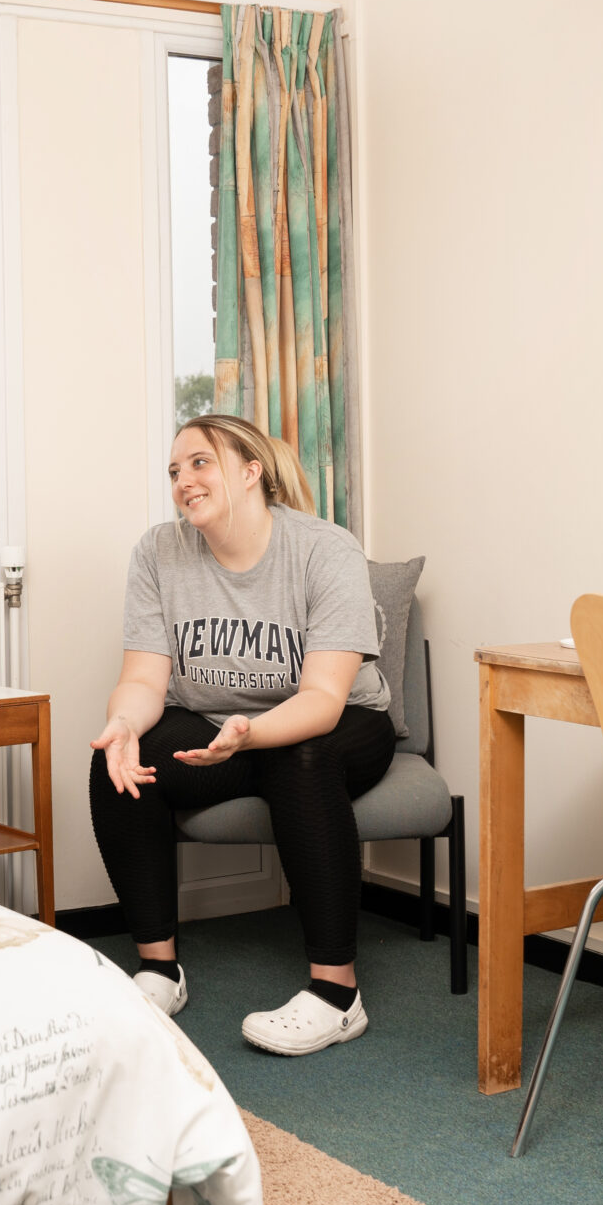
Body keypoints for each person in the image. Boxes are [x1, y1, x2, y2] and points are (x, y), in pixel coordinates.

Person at [89, 413, 394, 1056]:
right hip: (215, 724)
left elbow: (321, 698)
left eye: (200, 462)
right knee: (120, 757)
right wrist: (121, 723)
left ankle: (338, 995)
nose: (183, 480)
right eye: (175, 470)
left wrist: (252, 735)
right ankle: (158, 971)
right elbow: (144, 680)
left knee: (300, 757)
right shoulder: (158, 551)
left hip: (336, 723)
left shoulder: (324, 548)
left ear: (252, 472)